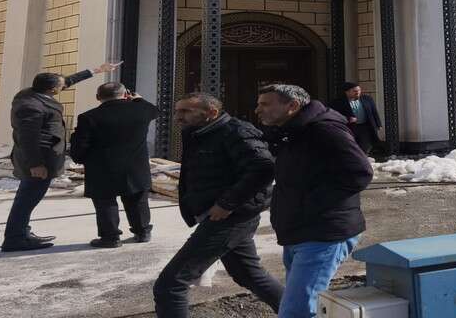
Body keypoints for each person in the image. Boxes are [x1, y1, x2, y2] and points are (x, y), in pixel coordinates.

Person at [153, 93, 283, 318]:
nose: (178, 117)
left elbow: (263, 168)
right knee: (248, 275)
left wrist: (226, 204)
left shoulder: (237, 131)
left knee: (170, 285)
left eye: (185, 111)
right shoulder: (198, 133)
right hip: (220, 216)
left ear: (211, 112)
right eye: (177, 111)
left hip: (231, 218)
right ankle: (299, 312)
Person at [257, 84, 373, 318]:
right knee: (299, 306)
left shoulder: (324, 130)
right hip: (299, 229)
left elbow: (360, 172)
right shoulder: (292, 132)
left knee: (297, 311)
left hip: (323, 233)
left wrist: (310, 205)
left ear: (292, 106)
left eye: (265, 104)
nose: (258, 110)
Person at [1, 61, 120, 252]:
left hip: (41, 157)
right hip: (39, 159)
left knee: (27, 197)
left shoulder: (31, 93)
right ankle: (15, 238)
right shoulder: (32, 106)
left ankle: (22, 231)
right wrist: (36, 164)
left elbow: (68, 81)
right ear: (52, 90)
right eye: (61, 86)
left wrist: (96, 70)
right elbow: (28, 138)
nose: (64, 86)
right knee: (26, 199)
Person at [68, 82, 158, 247]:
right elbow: (155, 110)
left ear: (98, 97)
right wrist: (138, 99)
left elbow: (81, 144)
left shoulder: (88, 117)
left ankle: (110, 237)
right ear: (125, 95)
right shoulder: (141, 110)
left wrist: (78, 158)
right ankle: (143, 231)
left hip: (102, 166)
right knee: (137, 200)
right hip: (135, 165)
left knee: (105, 202)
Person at [326, 81, 383, 155]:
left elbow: (374, 112)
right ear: (347, 92)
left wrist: (378, 124)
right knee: (351, 146)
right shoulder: (338, 102)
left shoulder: (367, 99)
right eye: (355, 91)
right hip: (349, 128)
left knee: (365, 146)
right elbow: (333, 114)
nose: (358, 92)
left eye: (359, 90)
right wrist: (347, 119)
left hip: (365, 127)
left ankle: (363, 157)